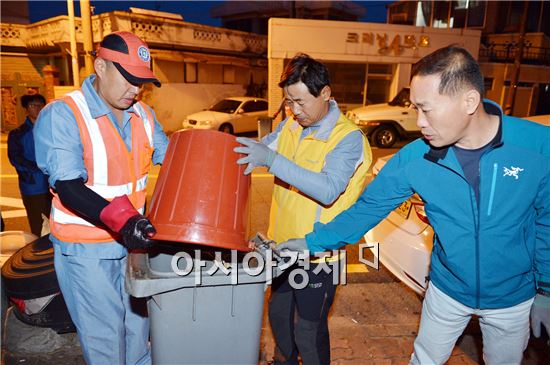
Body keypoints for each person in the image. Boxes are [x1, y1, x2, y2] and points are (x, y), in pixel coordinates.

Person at [277, 45, 550, 365]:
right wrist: (310, 242)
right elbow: (366, 210)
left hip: (512, 299)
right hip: (447, 292)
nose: (419, 122)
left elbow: (546, 220)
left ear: (470, 101)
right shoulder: (415, 158)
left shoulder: (536, 147)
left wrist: (545, 289)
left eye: (426, 109)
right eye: (414, 108)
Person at [33, 31, 169, 365]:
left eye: (142, 81)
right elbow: (68, 186)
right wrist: (126, 220)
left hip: (132, 246)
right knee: (107, 341)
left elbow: (176, 160)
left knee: (139, 332)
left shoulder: (145, 115)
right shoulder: (64, 114)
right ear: (100, 66)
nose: (135, 90)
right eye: (128, 79)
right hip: (86, 254)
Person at [235, 54, 372, 365]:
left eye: (300, 101)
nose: (294, 110)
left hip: (318, 258)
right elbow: (260, 149)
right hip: (283, 251)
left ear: (325, 93)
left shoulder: (347, 139)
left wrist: (271, 161)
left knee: (307, 331)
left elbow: (327, 190)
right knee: (280, 318)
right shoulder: (291, 126)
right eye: (288, 102)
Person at [8, 94, 51, 236]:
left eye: (41, 105)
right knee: (39, 226)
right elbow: (15, 158)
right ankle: (41, 256)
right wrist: (39, 168)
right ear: (26, 109)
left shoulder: (51, 129)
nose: (38, 108)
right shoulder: (18, 133)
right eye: (33, 105)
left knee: (56, 224)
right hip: (33, 187)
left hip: (54, 185)